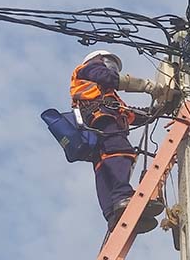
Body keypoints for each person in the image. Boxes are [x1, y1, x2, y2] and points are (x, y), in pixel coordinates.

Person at [70, 50, 165, 233]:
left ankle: (113, 214)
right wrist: (147, 86)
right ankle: (123, 196)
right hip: (102, 120)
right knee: (120, 152)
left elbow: (130, 114)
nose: (112, 68)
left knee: (102, 167)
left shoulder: (106, 95)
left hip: (95, 128)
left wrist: (155, 111)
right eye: (110, 62)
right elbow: (107, 77)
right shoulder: (89, 69)